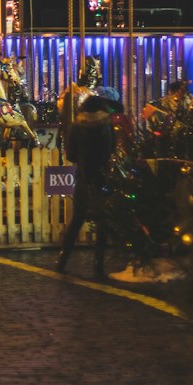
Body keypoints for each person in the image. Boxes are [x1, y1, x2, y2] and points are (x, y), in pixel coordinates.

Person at [56, 95, 115, 279]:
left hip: (83, 176)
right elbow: (111, 148)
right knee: (102, 221)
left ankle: (62, 259)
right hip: (102, 176)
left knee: (77, 219)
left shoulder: (76, 126)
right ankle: (98, 265)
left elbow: (71, 154)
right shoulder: (107, 126)